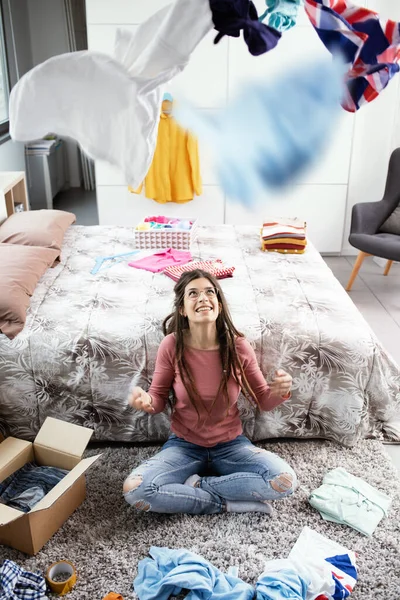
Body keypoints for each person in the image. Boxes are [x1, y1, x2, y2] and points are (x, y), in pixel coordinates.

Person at [123, 269, 296, 515]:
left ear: (219, 304)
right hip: (183, 446)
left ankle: (198, 486)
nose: (203, 297)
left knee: (284, 480)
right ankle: (224, 504)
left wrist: (280, 391)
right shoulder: (171, 345)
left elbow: (264, 401)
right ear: (182, 309)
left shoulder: (238, 346)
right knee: (136, 490)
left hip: (231, 446)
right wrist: (147, 401)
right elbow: (159, 399)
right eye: (193, 293)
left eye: (209, 292)